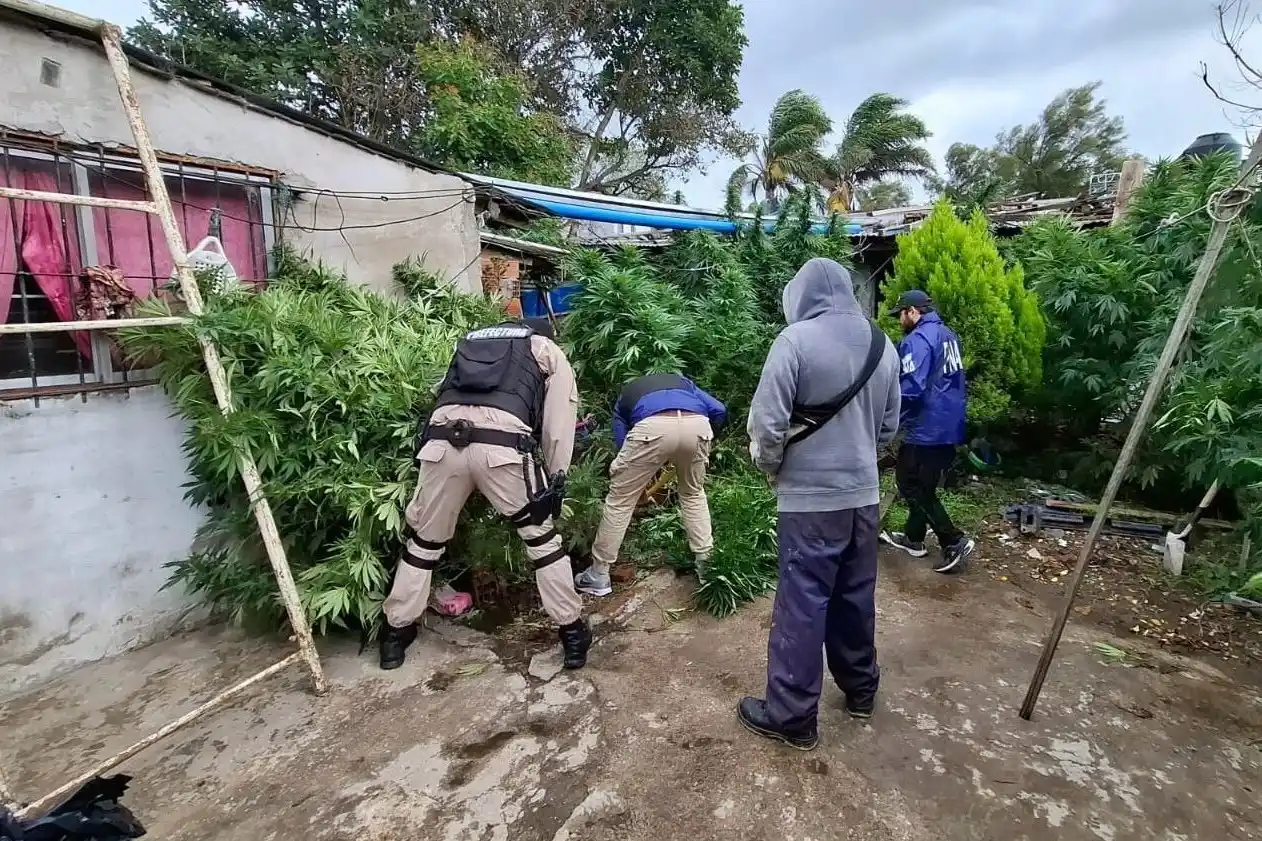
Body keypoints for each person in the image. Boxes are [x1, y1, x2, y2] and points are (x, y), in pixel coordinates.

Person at [738, 257, 900, 751]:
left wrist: (772, 468)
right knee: (855, 595)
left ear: (800, 295)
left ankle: (792, 716)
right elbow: (890, 428)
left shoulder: (794, 342)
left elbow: (767, 426)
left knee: (803, 604)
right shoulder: (882, 343)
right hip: (864, 498)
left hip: (809, 502)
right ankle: (861, 691)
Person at [379, 317, 591, 671]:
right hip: (504, 450)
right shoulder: (543, 348)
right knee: (542, 542)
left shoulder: (469, 344)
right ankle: (572, 634)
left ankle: (393, 637)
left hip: (441, 446)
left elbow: (441, 396)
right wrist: (555, 477)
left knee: (423, 544)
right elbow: (559, 420)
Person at [574, 373, 727, 596]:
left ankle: (598, 575)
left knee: (620, 501)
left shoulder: (626, 396)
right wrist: (706, 440)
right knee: (693, 494)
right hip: (698, 426)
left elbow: (622, 443)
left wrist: (632, 484)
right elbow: (720, 410)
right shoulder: (685, 383)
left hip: (650, 429)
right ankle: (706, 565)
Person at [879, 290, 976, 574]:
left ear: (912, 311)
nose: (899, 319)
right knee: (925, 484)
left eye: (900, 314)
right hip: (949, 423)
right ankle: (914, 538)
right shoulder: (948, 335)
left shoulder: (918, 340)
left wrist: (890, 421)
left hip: (926, 427)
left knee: (910, 483)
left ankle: (952, 540)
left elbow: (912, 388)